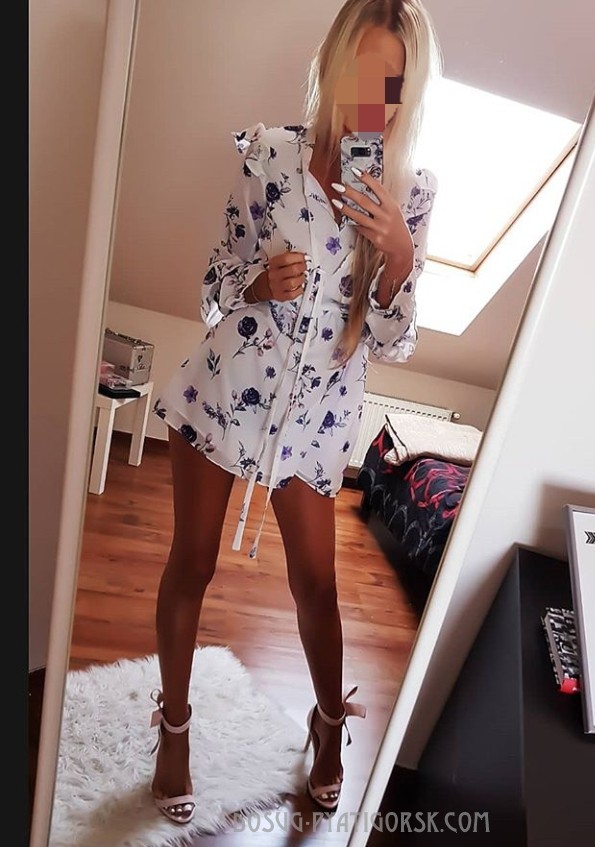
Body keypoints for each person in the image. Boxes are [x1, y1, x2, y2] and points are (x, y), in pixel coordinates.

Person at [148, 0, 442, 824]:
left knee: (317, 584)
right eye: (361, 70)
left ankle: (329, 722)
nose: (371, 97)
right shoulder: (269, 155)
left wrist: (398, 256)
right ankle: (174, 727)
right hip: (225, 394)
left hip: (314, 422)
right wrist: (254, 282)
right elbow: (212, 287)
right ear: (333, 63)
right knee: (191, 563)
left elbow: (392, 341)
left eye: (391, 81)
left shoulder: (411, 193)